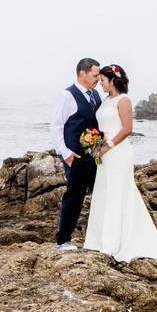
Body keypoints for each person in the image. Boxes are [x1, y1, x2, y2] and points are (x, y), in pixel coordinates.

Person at [83, 64, 157, 263]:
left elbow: (127, 129)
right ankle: (99, 240)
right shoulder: (105, 100)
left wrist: (107, 146)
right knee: (104, 192)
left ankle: (115, 242)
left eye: (103, 81)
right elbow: (103, 126)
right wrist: (95, 142)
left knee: (118, 192)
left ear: (113, 80)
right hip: (104, 153)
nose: (100, 84)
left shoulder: (124, 100)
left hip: (118, 153)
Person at [49, 57, 102, 249]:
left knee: (100, 195)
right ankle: (63, 240)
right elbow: (56, 127)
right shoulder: (67, 96)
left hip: (94, 157)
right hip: (75, 157)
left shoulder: (96, 95)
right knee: (74, 197)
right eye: (95, 75)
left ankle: (98, 237)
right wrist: (66, 153)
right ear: (82, 73)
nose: (98, 78)